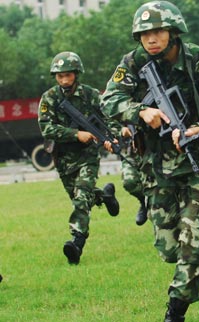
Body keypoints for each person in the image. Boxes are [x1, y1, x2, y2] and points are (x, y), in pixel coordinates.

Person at [100, 2, 199, 321]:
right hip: (156, 169)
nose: (151, 39)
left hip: (198, 164)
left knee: (191, 247)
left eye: (158, 31)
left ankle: (175, 311)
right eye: (145, 33)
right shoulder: (133, 62)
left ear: (173, 32)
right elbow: (110, 99)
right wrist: (141, 111)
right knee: (168, 250)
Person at [38, 51, 120, 265]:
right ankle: (104, 197)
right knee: (79, 197)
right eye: (60, 76)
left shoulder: (90, 95)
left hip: (87, 156)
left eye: (68, 75)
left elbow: (108, 118)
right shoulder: (49, 98)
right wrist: (75, 134)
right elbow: (46, 128)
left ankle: (77, 242)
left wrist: (112, 138)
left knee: (82, 196)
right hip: (63, 158)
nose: (64, 80)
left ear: (76, 74)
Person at [120, 124, 148, 226]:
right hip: (131, 151)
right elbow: (110, 122)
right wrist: (120, 130)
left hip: (152, 149)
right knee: (129, 182)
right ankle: (144, 201)